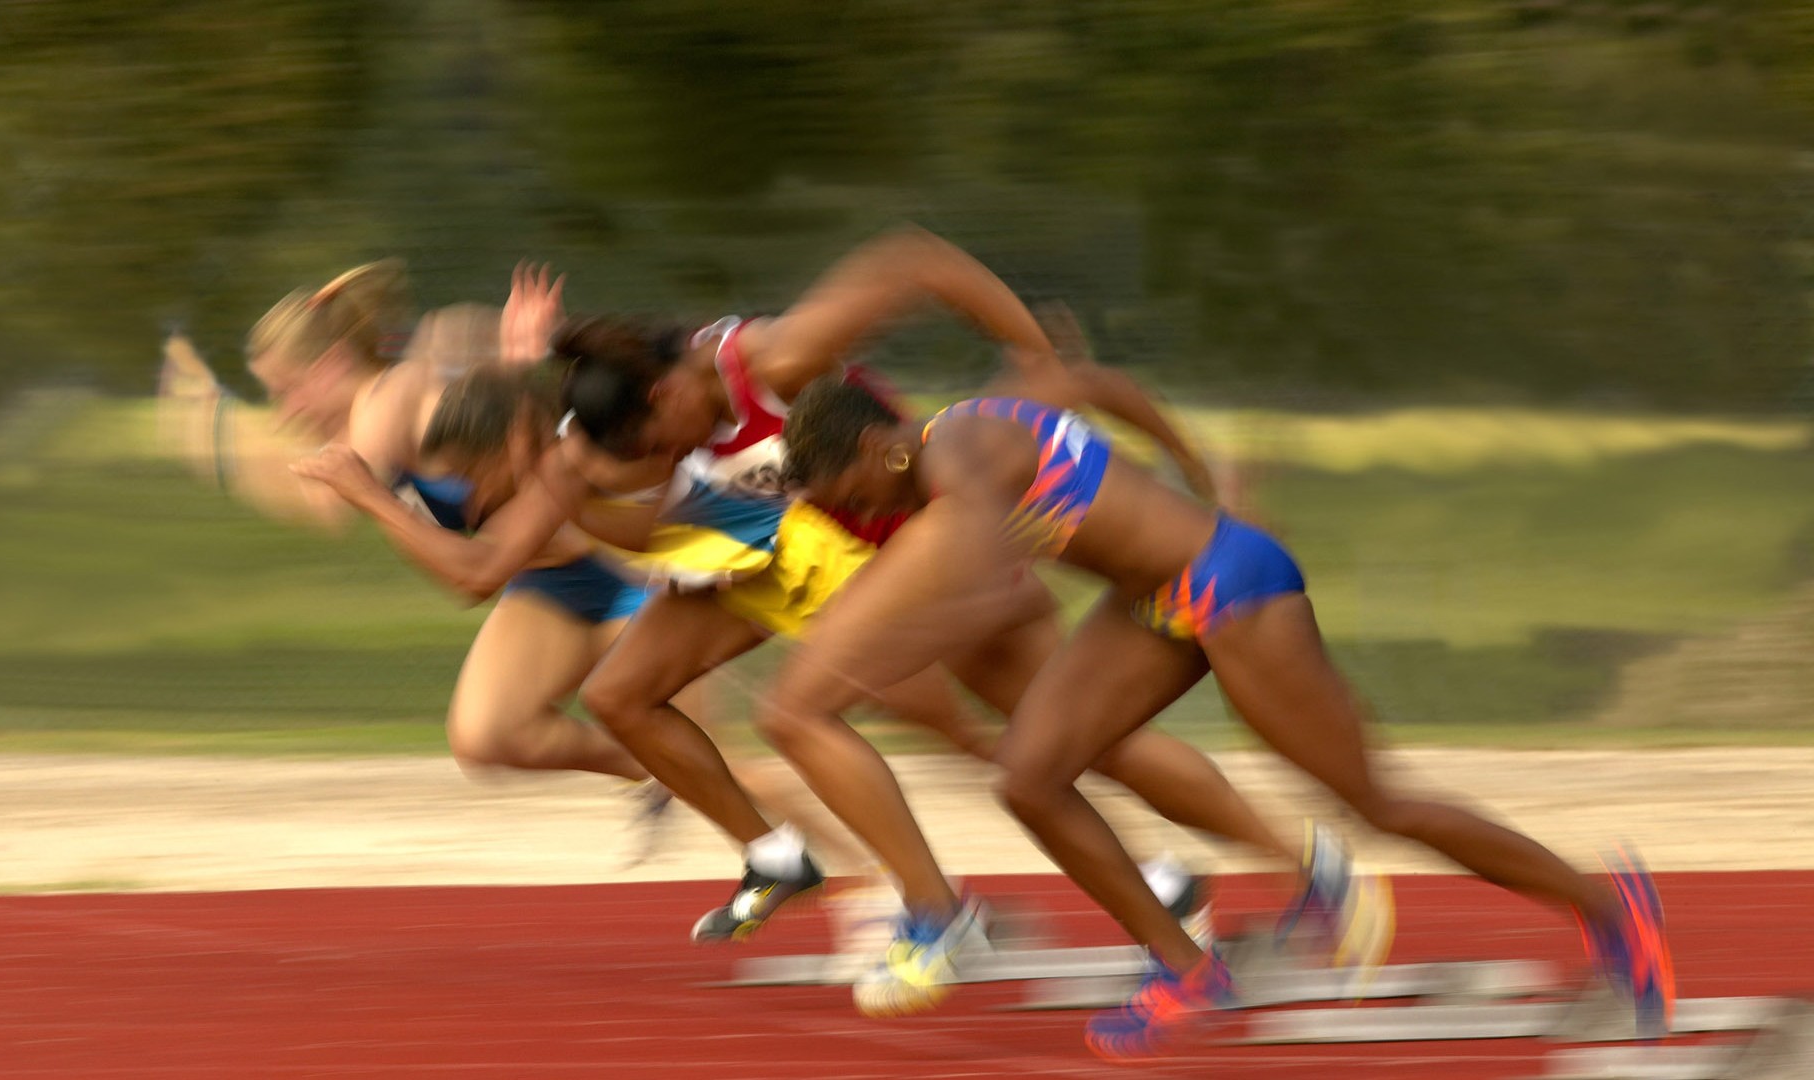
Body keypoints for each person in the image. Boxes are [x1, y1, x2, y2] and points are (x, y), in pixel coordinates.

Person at [292, 233, 1322, 995]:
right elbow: (483, 570)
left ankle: (1278, 868)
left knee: (1038, 727)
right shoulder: (583, 445)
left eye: (663, 444)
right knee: (629, 693)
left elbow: (916, 263)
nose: (657, 462)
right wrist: (380, 497)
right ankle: (812, 863)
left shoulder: (758, 363)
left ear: (671, 396)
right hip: (779, 562)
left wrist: (1031, 352)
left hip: (909, 533)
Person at [776, 358, 1676, 1058]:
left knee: (1378, 803)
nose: (862, 516)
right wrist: (1188, 462)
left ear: (877, 450)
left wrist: (846, 667)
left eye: (854, 497)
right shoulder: (961, 437)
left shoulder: (954, 454)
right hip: (1154, 602)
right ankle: (1188, 969)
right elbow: (1074, 397)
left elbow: (966, 575)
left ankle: (1610, 906)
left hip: (1233, 589)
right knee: (1029, 776)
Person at [157, 261, 681, 849]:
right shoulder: (386, 409)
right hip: (552, 581)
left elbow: (324, 507)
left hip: (625, 564)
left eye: (285, 391)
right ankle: (658, 768)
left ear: (330, 367)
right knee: (489, 736)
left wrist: (215, 434)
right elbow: (488, 423)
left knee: (740, 765)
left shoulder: (387, 398)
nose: (285, 412)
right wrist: (516, 361)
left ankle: (725, 793)